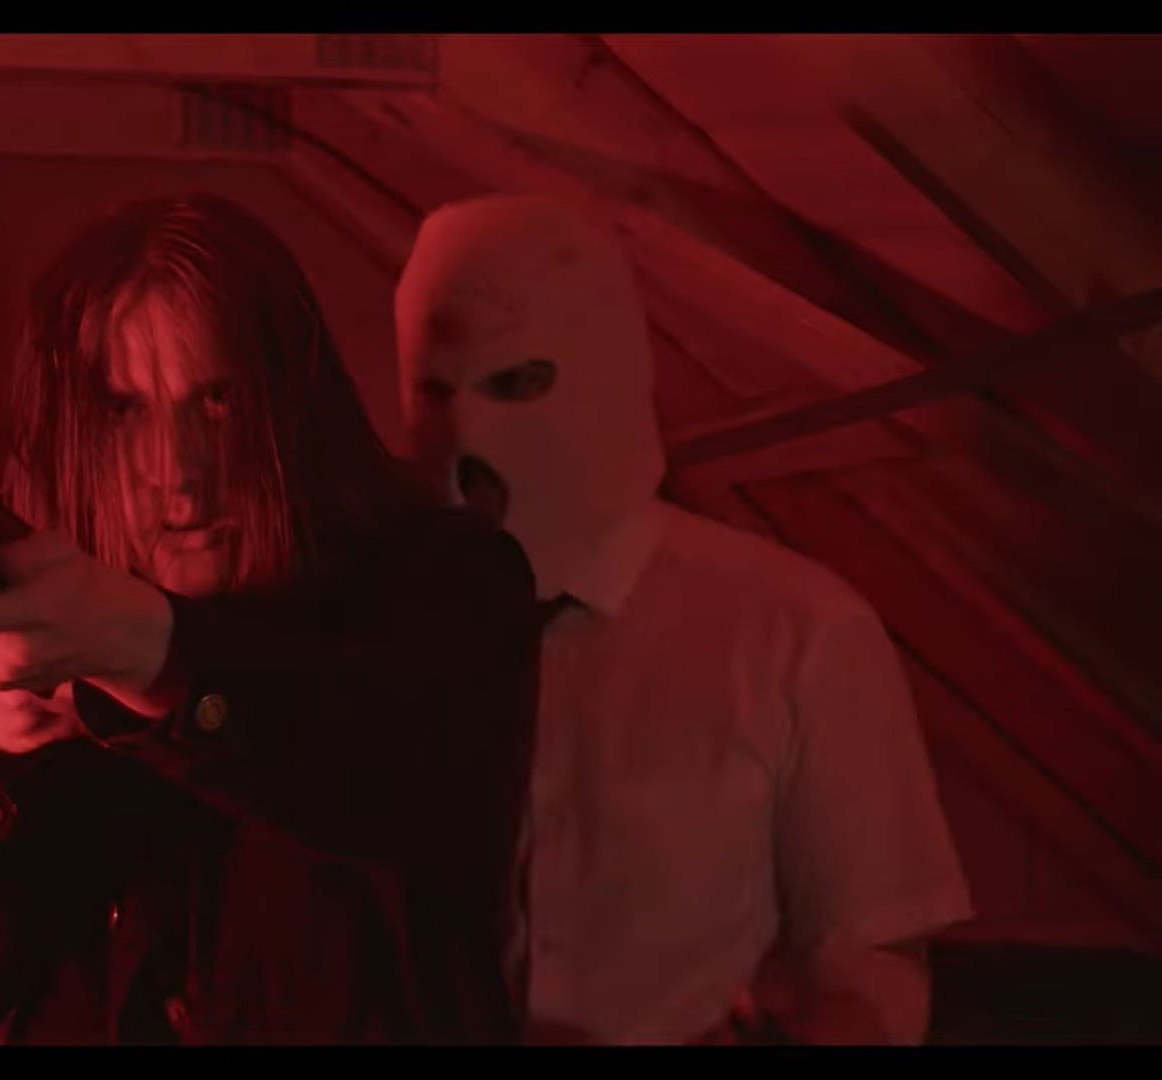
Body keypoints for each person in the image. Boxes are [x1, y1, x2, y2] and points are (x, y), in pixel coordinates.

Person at [0, 193, 542, 1044]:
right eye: (124, 410)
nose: (178, 469)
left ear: (291, 405)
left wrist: (152, 656)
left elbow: (379, 777)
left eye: (219, 401)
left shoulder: (443, 579)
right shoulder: (54, 633)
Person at [393, 193, 973, 1045]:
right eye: (434, 391)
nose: (469, 430)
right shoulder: (383, 634)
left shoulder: (798, 635)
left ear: (606, 372)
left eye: (516, 382)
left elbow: (870, 961)